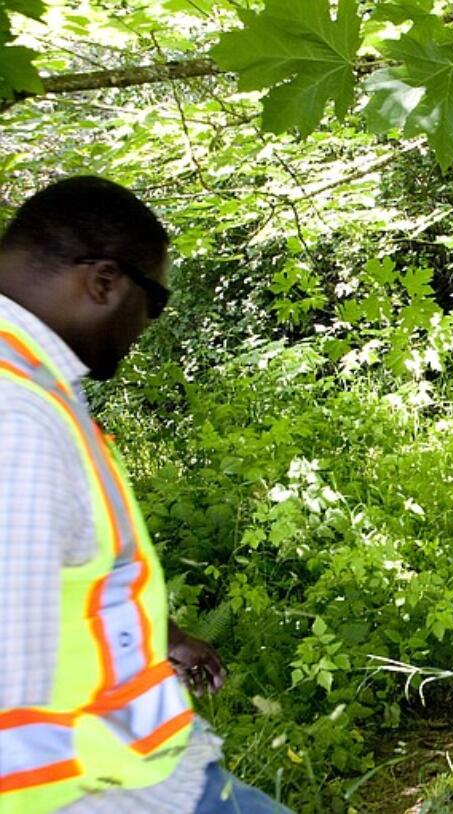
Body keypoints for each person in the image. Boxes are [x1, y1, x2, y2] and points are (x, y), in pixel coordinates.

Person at [0, 177, 290, 813]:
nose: (148, 327)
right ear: (104, 282)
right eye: (153, 302)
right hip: (124, 796)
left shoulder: (34, 383)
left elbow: (51, 583)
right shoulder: (17, 415)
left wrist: (162, 633)